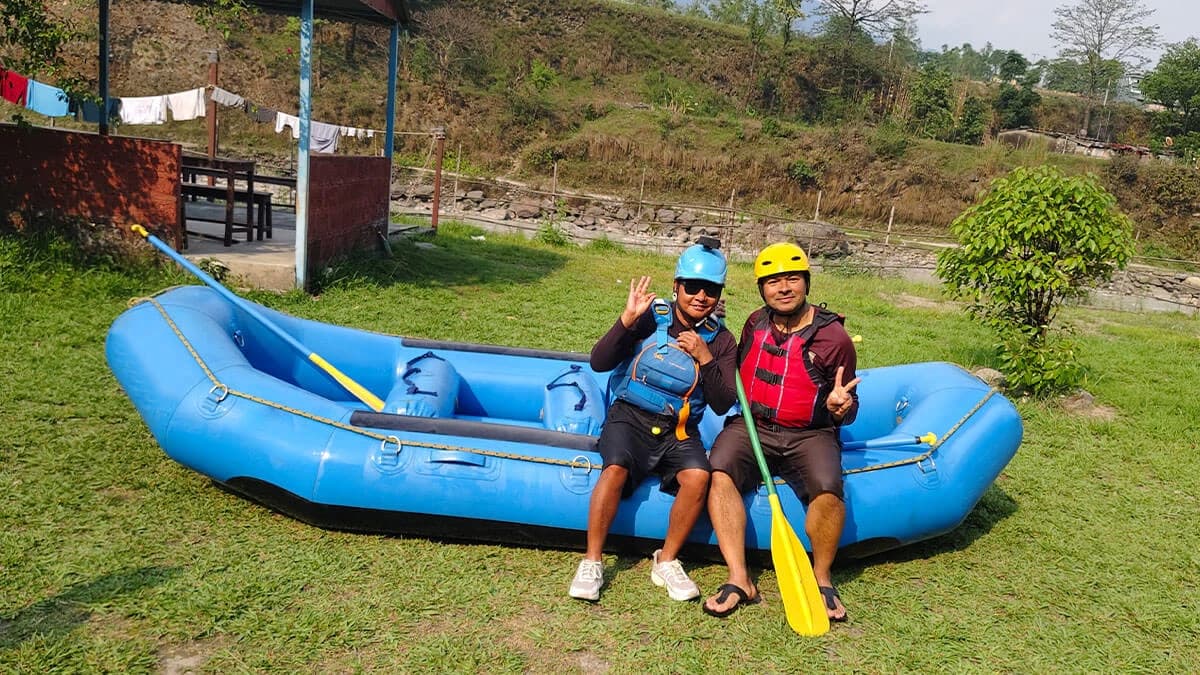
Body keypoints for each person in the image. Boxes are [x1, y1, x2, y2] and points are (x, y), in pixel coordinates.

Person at [568, 238, 738, 603]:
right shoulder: (649, 316)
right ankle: (592, 561)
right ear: (677, 286)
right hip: (629, 418)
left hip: (679, 429)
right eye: (692, 287)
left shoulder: (722, 341)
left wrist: (706, 357)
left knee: (698, 476)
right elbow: (599, 362)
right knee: (614, 468)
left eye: (711, 289)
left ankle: (667, 560)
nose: (700, 296)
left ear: (719, 294)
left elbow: (724, 403)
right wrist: (625, 322)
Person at [702, 242, 860, 622]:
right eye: (773, 281)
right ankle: (740, 578)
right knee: (719, 469)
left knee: (827, 487)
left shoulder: (833, 338)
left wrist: (843, 407)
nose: (783, 288)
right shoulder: (755, 323)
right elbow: (733, 367)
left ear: (806, 283)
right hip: (754, 427)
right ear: (762, 289)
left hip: (810, 434)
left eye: (792, 279)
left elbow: (850, 405)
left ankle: (821, 577)